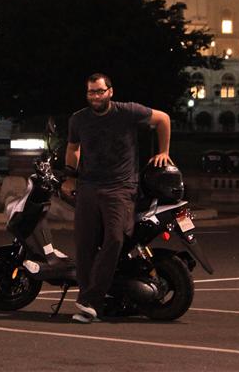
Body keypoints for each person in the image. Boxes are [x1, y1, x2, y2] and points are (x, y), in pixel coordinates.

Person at [61, 72, 172, 323]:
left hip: (120, 187)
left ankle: (91, 300)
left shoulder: (128, 112)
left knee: (113, 238)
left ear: (110, 91)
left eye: (100, 91)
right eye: (91, 92)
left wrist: (163, 152)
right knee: (84, 245)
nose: (96, 96)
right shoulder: (79, 119)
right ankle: (89, 305)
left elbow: (163, 119)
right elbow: (72, 148)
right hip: (89, 186)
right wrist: (70, 177)